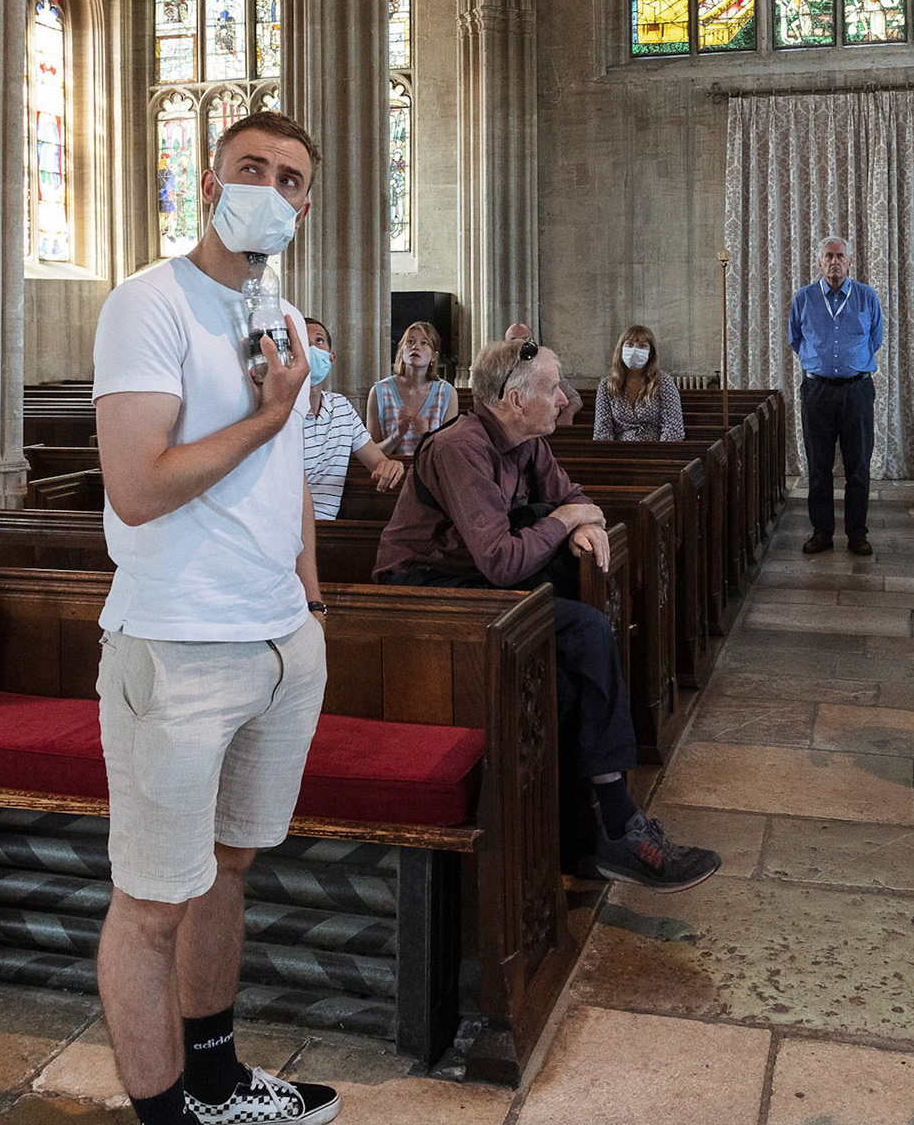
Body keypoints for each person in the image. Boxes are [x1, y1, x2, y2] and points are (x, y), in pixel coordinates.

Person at [91, 109, 339, 1125]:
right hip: (179, 646)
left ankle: (219, 1079)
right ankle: (165, 1118)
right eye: (252, 168)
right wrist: (269, 415)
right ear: (208, 181)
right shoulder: (146, 304)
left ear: (305, 205)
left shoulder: (283, 317)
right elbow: (138, 487)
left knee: (227, 869)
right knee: (151, 903)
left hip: (278, 640)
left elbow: (287, 488)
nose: (270, 189)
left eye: (289, 179)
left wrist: (309, 607)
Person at [374, 338, 720, 891]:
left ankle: (594, 834)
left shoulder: (526, 440)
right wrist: (565, 519)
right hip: (423, 599)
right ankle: (614, 825)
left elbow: (575, 497)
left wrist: (580, 519)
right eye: (553, 388)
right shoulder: (461, 447)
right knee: (586, 629)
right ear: (514, 399)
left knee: (570, 670)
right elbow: (502, 560)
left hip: (472, 585)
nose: (564, 399)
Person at [788, 236, 883, 555]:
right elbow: (796, 338)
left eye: (840, 256)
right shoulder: (804, 298)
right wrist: (819, 361)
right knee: (819, 465)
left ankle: (857, 533)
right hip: (817, 391)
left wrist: (851, 364)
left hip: (857, 390)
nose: (834, 261)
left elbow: (876, 337)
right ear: (819, 262)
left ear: (850, 261)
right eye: (828, 256)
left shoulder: (867, 297)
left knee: (858, 466)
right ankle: (821, 532)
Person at [301, 317, 405, 520]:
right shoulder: (278, 411)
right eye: (303, 343)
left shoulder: (341, 407)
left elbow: (377, 461)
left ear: (331, 358)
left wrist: (391, 466)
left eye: (319, 341)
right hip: (281, 530)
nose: (311, 348)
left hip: (324, 529)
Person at [367, 320, 457, 457]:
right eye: (410, 342)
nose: (415, 347)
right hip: (392, 473)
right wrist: (397, 435)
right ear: (401, 351)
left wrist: (427, 435)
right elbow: (371, 454)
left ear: (434, 355)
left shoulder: (447, 393)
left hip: (431, 475)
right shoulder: (379, 391)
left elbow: (451, 453)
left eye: (424, 343)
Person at [594, 324, 685, 442]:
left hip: (656, 450)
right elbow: (602, 429)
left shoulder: (663, 382)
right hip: (620, 452)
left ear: (650, 353)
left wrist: (661, 456)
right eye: (630, 344)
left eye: (642, 346)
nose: (635, 350)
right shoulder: (607, 385)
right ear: (621, 349)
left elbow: (673, 427)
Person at [506, 321, 583, 426]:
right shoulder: (498, 370)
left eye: (525, 339)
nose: (520, 344)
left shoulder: (546, 367)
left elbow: (574, 398)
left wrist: (567, 414)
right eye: (513, 339)